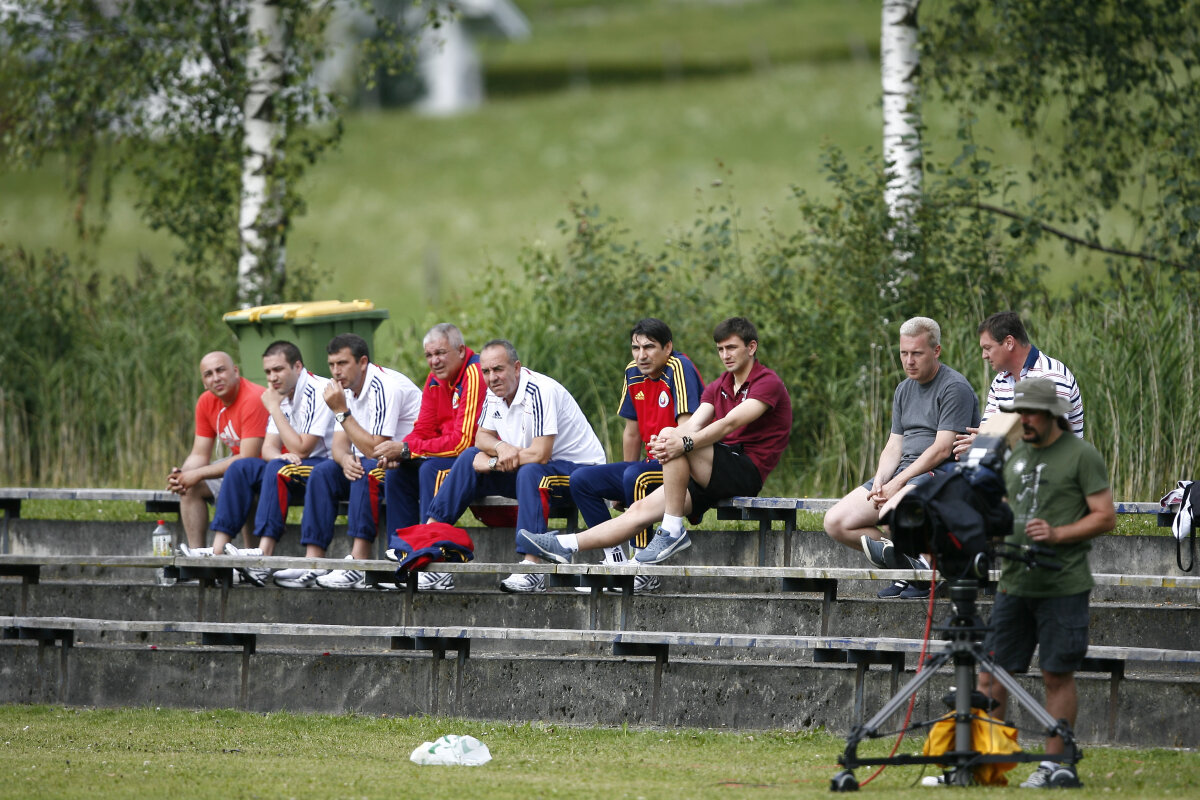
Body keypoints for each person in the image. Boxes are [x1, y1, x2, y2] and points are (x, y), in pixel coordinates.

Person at [517, 317, 792, 567]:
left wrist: (680, 442)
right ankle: (565, 545)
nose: (725, 355)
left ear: (751, 347)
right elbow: (695, 423)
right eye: (720, 349)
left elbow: (728, 423)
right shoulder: (719, 385)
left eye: (731, 348)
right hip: (710, 474)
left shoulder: (767, 382)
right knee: (638, 510)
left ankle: (672, 529)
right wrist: (676, 438)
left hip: (744, 470)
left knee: (674, 439)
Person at [977, 378, 1114, 788]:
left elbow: (1105, 516)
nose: (1025, 420)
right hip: (1013, 583)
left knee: (1056, 674)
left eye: (1032, 413)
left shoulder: (1081, 456)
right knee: (991, 673)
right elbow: (1004, 509)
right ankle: (987, 761)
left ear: (1053, 414)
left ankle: (1055, 765)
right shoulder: (1015, 455)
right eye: (1020, 413)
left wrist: (1056, 534)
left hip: (1062, 584)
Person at [423, 339, 605, 593]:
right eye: (485, 371)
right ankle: (427, 548)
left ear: (516, 367)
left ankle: (532, 569)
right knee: (467, 459)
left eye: (498, 369)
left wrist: (494, 461)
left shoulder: (540, 390)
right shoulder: (495, 392)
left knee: (531, 471)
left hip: (580, 473)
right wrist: (500, 448)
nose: (491, 377)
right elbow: (482, 438)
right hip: (534, 470)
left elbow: (541, 454)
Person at [823, 316, 979, 600]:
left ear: (936, 350)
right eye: (904, 353)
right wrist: (882, 480)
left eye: (917, 353)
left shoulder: (954, 387)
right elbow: (894, 445)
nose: (909, 361)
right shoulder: (903, 389)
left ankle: (923, 574)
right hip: (906, 474)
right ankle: (907, 568)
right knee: (836, 521)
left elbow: (943, 449)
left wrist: (898, 483)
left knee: (891, 511)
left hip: (944, 473)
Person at [568, 318, 705, 592]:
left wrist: (632, 474)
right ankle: (615, 560)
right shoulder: (633, 373)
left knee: (636, 476)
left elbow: (688, 426)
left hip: (681, 463)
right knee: (582, 479)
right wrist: (620, 485)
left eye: (649, 347)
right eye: (635, 347)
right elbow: (631, 433)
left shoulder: (679, 368)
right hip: (647, 464)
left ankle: (643, 569)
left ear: (668, 348)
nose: (641, 355)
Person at [276, 333, 420, 589]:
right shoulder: (344, 391)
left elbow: (377, 449)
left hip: (406, 465)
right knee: (323, 473)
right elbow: (339, 447)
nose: (336, 371)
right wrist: (344, 461)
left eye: (342, 364)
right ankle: (313, 561)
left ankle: (358, 562)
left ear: (362, 362)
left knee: (364, 471)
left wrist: (341, 411)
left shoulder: (384, 386)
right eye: (331, 365)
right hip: (373, 461)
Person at [203, 341, 335, 586]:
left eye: (278, 370)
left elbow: (303, 448)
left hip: (326, 468)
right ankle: (217, 553)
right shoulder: (282, 393)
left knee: (277, 468)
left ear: (297, 366)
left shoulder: (318, 390)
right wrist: (279, 456)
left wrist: (274, 409)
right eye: (268, 372)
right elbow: (268, 449)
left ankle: (263, 558)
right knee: (241, 467)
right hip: (295, 465)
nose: (273, 377)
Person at [373, 323, 485, 592]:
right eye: (429, 355)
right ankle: (402, 554)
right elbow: (422, 428)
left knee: (429, 469)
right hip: (446, 454)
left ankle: (435, 562)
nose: (434, 361)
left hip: (476, 461)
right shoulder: (436, 378)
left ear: (460, 350)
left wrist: (406, 450)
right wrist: (401, 451)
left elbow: (463, 442)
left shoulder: (475, 374)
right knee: (398, 471)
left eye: (441, 353)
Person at [167, 351, 269, 550]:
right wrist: (183, 475)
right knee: (190, 487)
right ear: (204, 382)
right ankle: (197, 559)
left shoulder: (253, 397)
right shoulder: (206, 401)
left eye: (221, 370)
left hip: (266, 462)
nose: (216, 378)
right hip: (238, 462)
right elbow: (199, 454)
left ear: (235, 371)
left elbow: (248, 457)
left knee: (244, 481)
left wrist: (197, 474)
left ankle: (253, 560)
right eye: (209, 374)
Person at [953, 311, 1084, 460]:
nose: (984, 355)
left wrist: (987, 445)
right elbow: (986, 431)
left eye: (988, 348)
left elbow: (1045, 438)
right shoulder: (1000, 381)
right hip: (1013, 467)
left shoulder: (1050, 376)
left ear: (1009, 343)